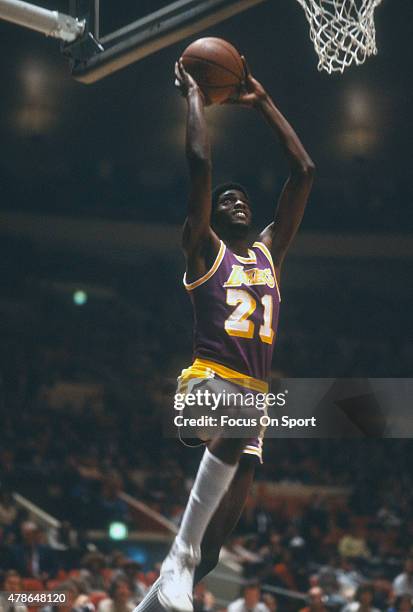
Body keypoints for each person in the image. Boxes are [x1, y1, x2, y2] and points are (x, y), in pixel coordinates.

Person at [136, 56, 314, 612]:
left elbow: (303, 173)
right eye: (225, 199)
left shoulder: (269, 254)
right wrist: (195, 95)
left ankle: (163, 587)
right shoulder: (203, 250)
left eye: (243, 198)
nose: (236, 200)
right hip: (204, 389)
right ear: (209, 217)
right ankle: (176, 560)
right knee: (241, 415)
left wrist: (262, 102)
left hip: (249, 410)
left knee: (209, 556)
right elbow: (198, 165)